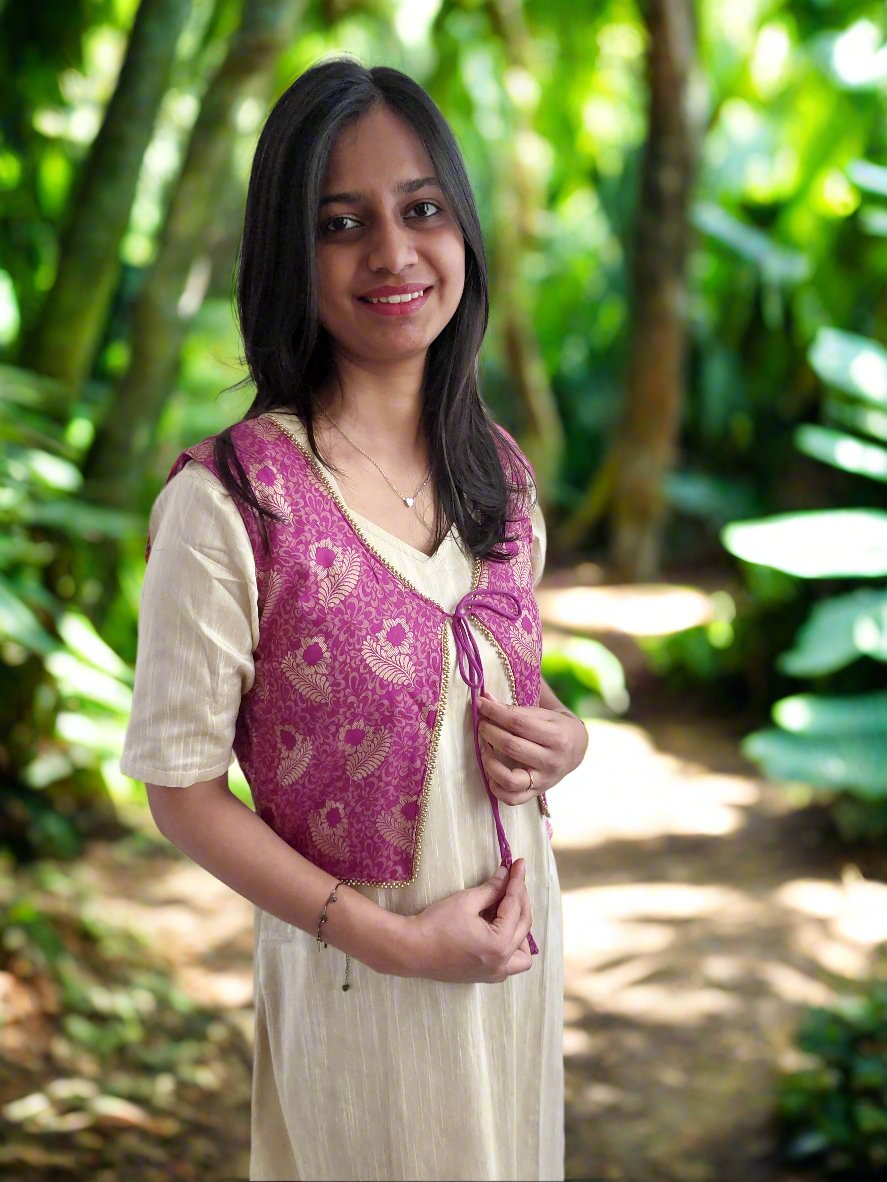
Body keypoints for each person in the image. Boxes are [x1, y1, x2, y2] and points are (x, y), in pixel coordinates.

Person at [119, 55, 588, 1182]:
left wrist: (566, 738)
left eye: (420, 209)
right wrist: (394, 944)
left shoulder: (499, 475)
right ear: (290, 253)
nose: (392, 253)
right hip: (357, 984)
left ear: (462, 228)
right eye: (341, 224)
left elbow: (493, 689)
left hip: (513, 966)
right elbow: (178, 792)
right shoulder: (227, 502)